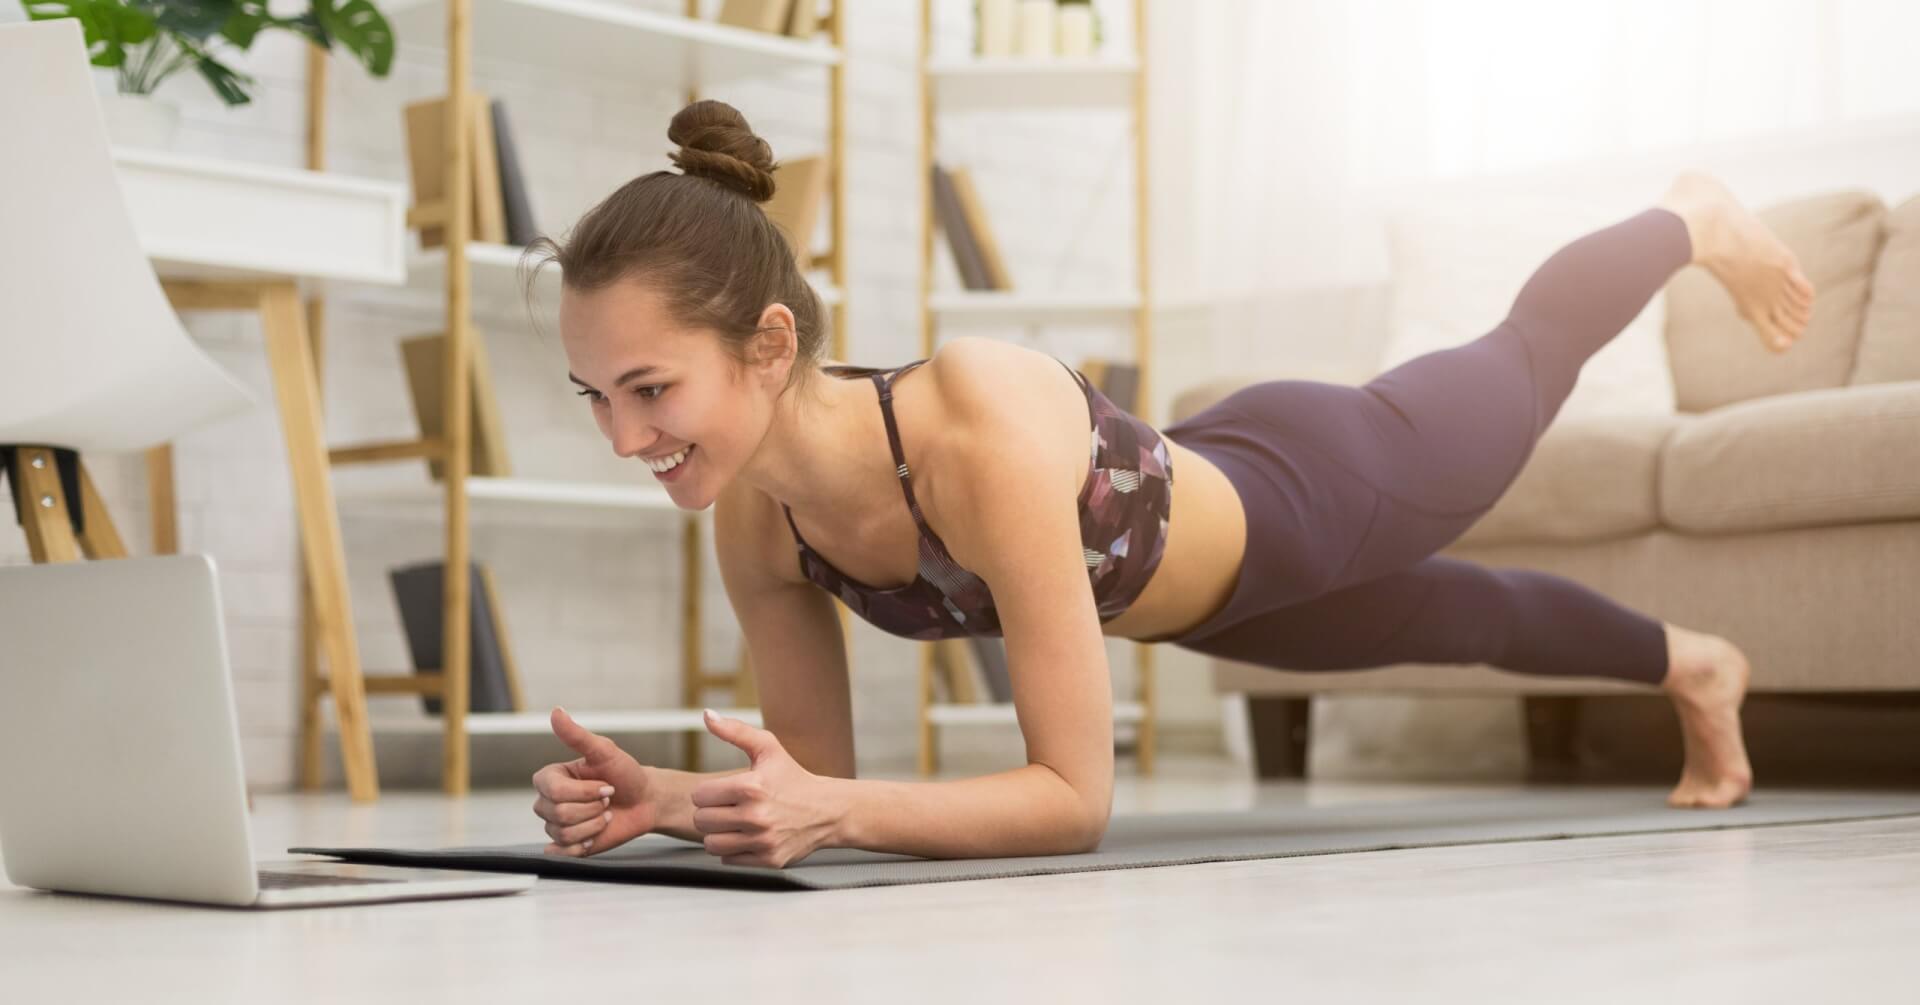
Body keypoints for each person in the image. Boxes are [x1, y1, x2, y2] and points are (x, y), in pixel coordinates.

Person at [527, 100, 1814, 869]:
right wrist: (669, 802)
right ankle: (1696, 664)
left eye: (652, 389)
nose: (627, 437)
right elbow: (803, 786)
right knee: (1458, 618)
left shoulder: (970, 418)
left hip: (1321, 482)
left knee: (1524, 359)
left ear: (768, 343)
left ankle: (1687, 218)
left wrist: (833, 814)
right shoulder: (759, 520)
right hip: (1210, 581)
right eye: (599, 397)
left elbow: (1071, 802)